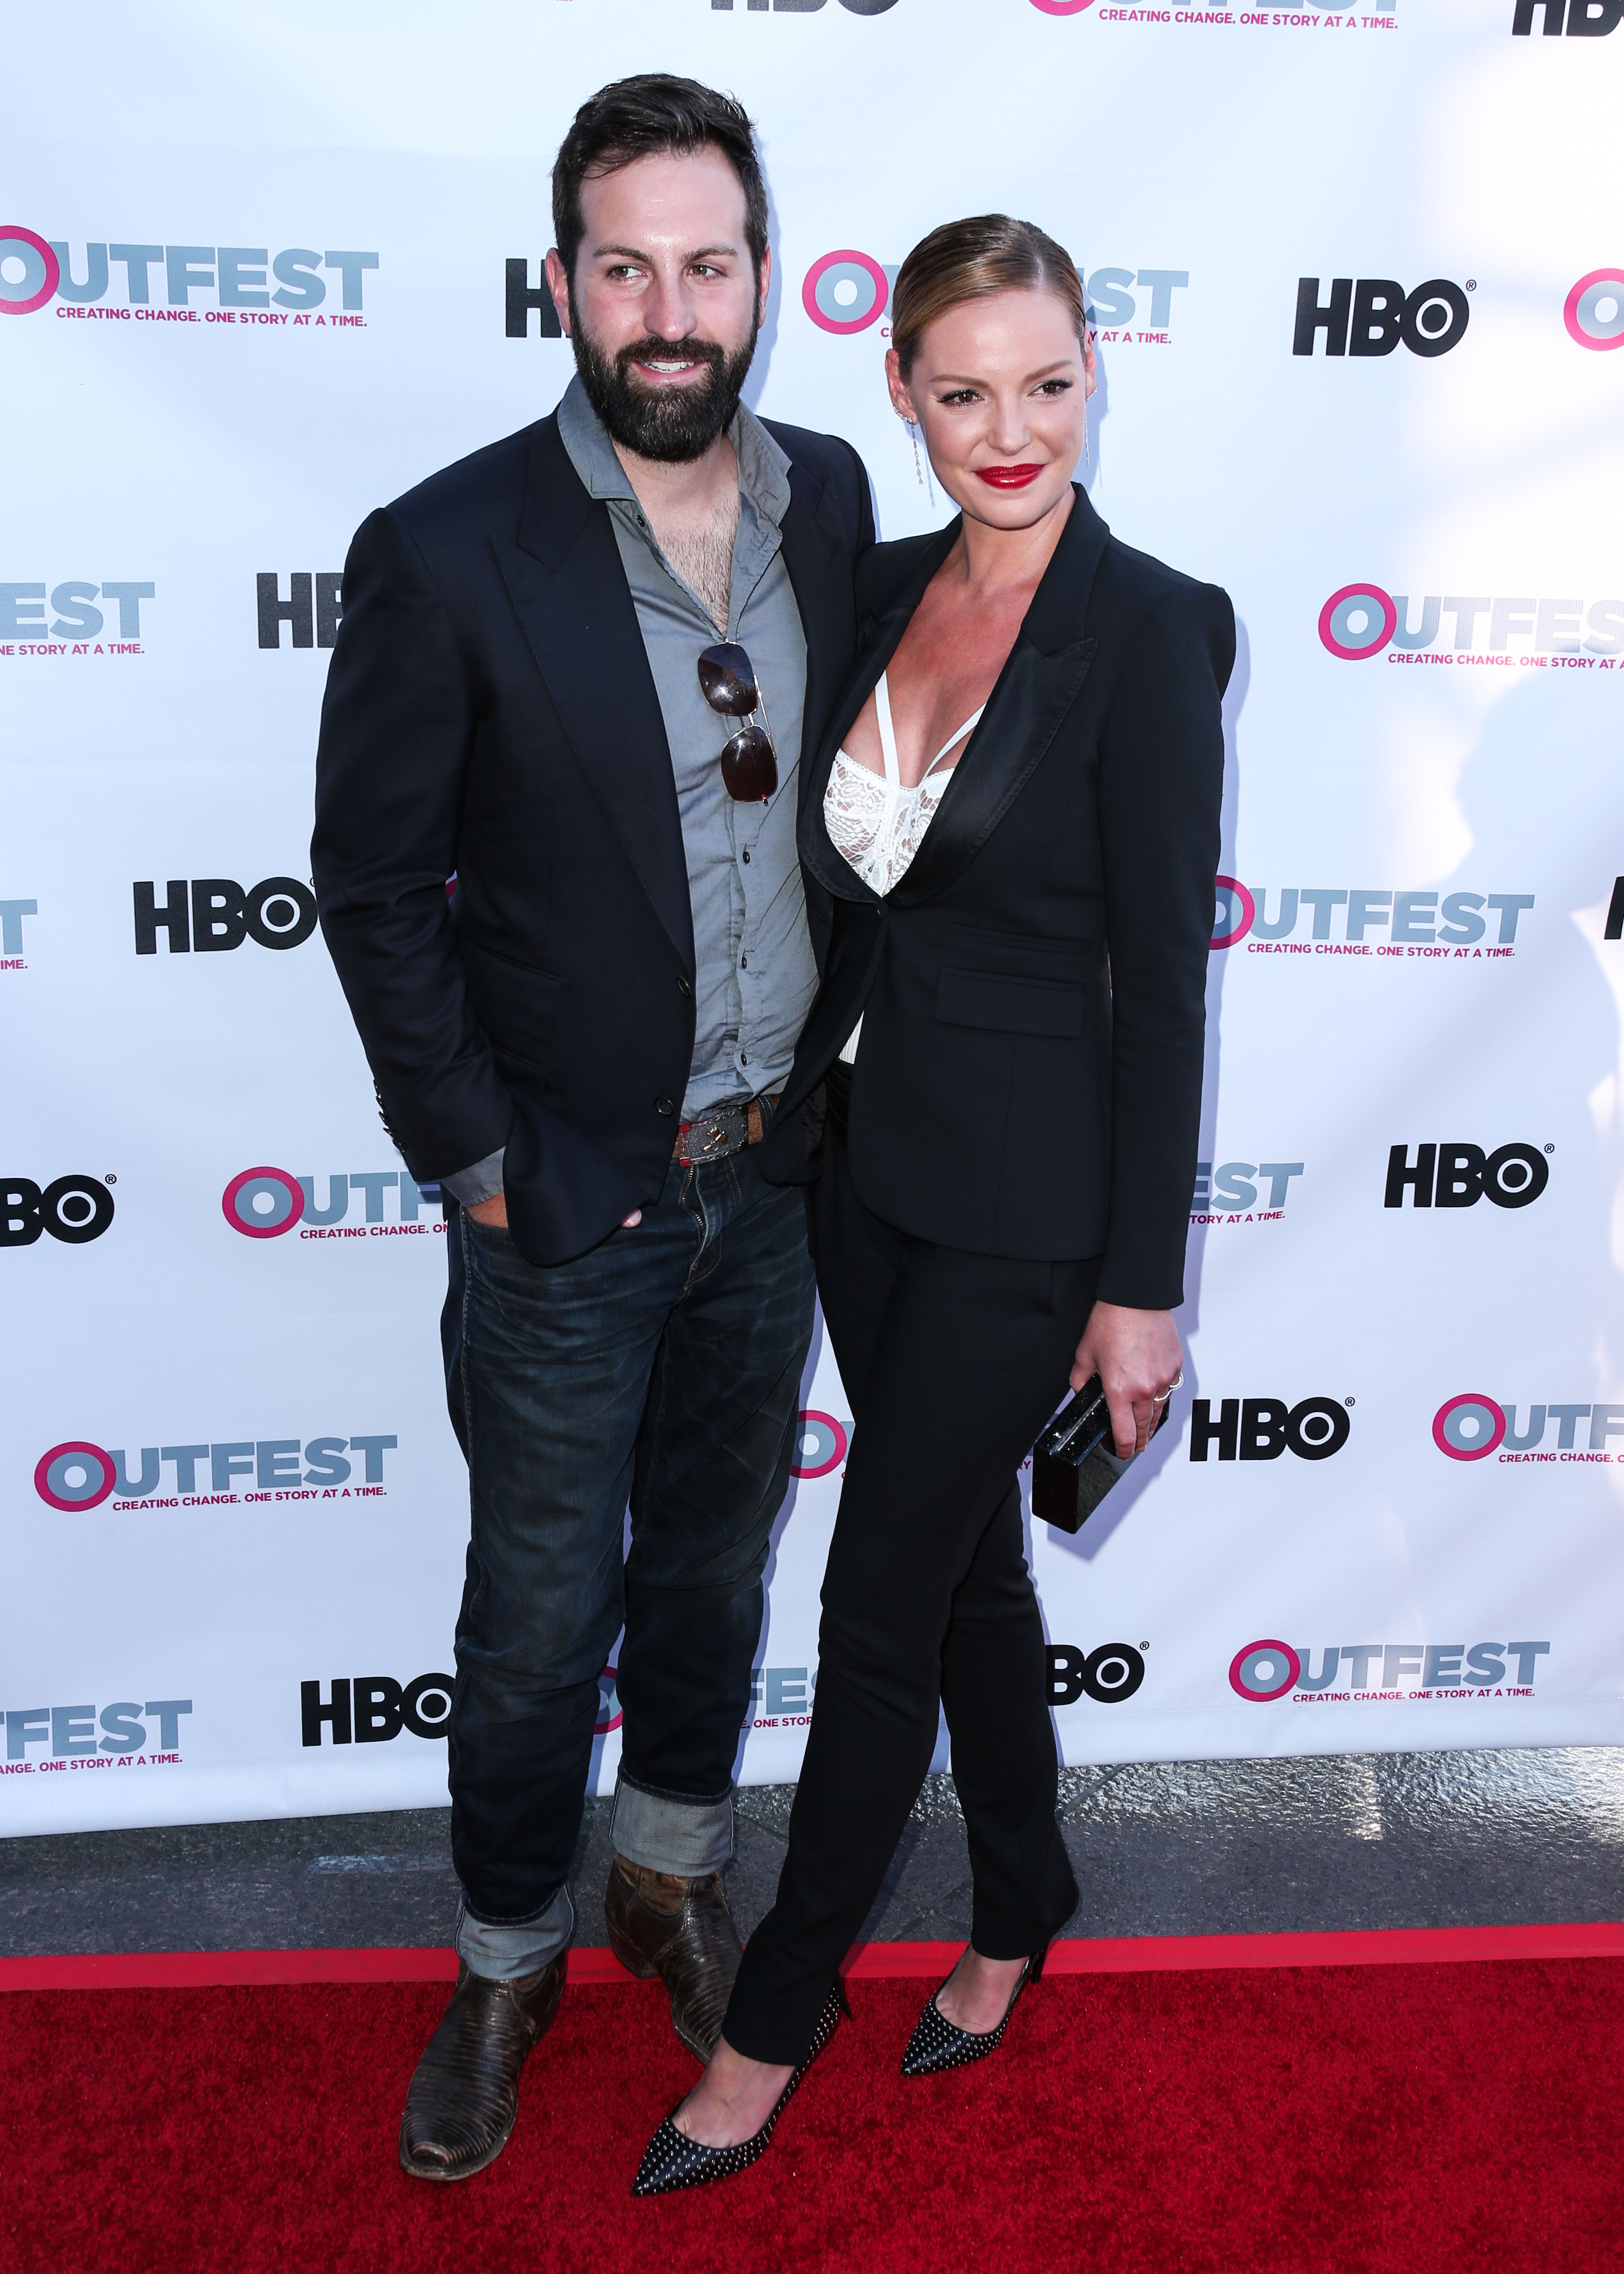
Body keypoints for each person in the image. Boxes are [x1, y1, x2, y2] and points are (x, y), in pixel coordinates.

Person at [634, 213, 1233, 2196]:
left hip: (1027, 1218)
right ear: (898, 391)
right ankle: (1022, 1895)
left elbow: (1162, 990)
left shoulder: (1155, 630)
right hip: (858, 1176)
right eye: (962, 392)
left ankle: (767, 2024)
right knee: (968, 1572)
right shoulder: (879, 586)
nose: (1010, 430)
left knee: (877, 1609)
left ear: (1095, 369)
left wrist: (1138, 1288)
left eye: (1045, 383)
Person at [311, 75, 872, 2183]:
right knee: (540, 1619)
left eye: (704, 266)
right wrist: (479, 1162)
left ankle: (665, 1876)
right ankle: (501, 1960)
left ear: (761, 280)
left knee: (715, 1573)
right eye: (624, 268)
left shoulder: (834, 503)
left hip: (775, 1180)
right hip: (564, 1199)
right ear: (563, 283)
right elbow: (376, 886)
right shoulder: (449, 547)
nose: (667, 311)